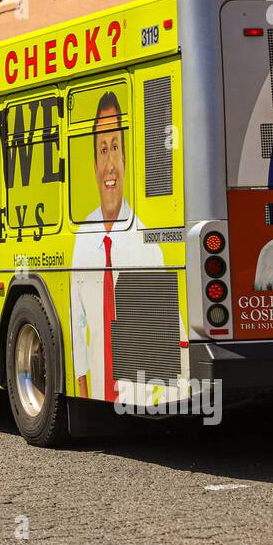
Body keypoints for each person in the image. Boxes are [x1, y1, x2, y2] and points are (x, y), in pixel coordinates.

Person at [70, 91, 166, 402]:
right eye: (102, 149)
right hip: (96, 391)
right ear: (93, 162)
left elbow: (160, 337)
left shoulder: (148, 245)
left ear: (125, 158)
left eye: (115, 148)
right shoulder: (82, 237)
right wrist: (82, 390)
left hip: (139, 394)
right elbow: (76, 324)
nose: (109, 164)